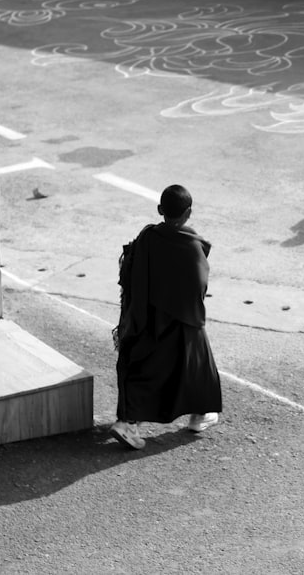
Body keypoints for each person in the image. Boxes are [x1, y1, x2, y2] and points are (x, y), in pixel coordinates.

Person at [111, 184, 222, 449]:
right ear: (189, 213)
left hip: (145, 319)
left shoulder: (148, 236)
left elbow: (129, 271)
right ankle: (198, 415)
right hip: (181, 319)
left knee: (144, 369)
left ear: (160, 210)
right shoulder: (189, 244)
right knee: (198, 364)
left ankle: (130, 422)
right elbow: (198, 285)